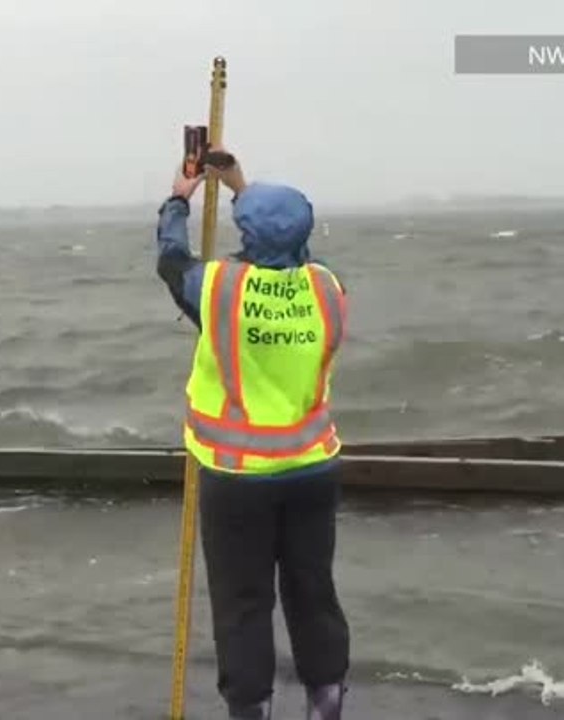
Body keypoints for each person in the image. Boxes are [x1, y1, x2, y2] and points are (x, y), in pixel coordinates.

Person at [155, 146, 350, 720]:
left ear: (246, 234)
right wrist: (243, 187)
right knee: (313, 591)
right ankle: (327, 702)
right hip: (313, 469)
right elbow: (290, 249)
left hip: (238, 477)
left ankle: (251, 708)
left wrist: (178, 198)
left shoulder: (218, 290)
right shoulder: (327, 290)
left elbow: (171, 260)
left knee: (243, 603)